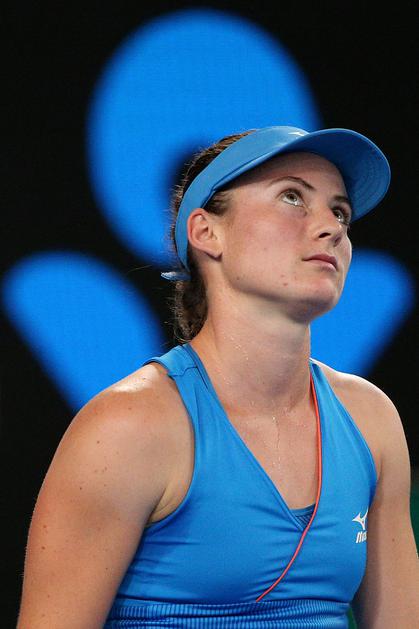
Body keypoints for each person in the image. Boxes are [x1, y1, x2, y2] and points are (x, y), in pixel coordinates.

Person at [17, 126, 419, 628]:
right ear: (207, 233)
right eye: (292, 197)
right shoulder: (127, 428)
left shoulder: (372, 419)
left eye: (340, 212)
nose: (331, 228)